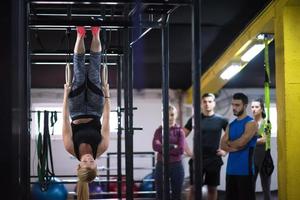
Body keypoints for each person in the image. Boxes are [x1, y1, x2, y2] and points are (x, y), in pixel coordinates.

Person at [62, 26, 111, 200]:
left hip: (75, 111)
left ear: (79, 165)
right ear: (96, 165)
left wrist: (65, 95)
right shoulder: (102, 147)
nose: (89, 159)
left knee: (79, 73)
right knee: (94, 72)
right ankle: (96, 33)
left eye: (85, 162)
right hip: (96, 109)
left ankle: (80, 35)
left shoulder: (70, 147)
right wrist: (107, 95)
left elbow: (64, 122)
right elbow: (106, 121)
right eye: (92, 163)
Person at [183, 93, 228, 200]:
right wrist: (189, 152)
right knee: (194, 189)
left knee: (212, 189)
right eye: (205, 102)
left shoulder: (222, 120)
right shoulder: (194, 119)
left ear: (214, 103)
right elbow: (181, 136)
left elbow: (230, 137)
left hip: (214, 159)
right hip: (197, 159)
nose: (207, 104)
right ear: (201, 104)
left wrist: (225, 151)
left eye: (210, 101)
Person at [220, 92, 258, 200]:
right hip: (231, 171)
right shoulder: (231, 125)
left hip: (245, 171)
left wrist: (230, 143)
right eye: (233, 105)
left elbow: (242, 142)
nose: (234, 108)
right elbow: (222, 145)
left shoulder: (251, 123)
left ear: (245, 106)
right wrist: (237, 145)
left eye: (237, 105)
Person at [152, 104, 185, 200]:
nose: (170, 117)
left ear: (175, 115)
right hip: (161, 165)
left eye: (172, 114)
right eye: (167, 115)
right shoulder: (158, 131)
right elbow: (155, 146)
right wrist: (172, 146)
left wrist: (163, 149)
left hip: (176, 166)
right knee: (160, 194)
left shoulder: (180, 131)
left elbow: (181, 149)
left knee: (176, 194)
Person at [251, 98, 272, 200]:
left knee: (266, 188)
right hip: (251, 158)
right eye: (252, 107)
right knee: (250, 187)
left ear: (262, 109)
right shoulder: (250, 123)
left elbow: (265, 140)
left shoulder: (266, 123)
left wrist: (250, 141)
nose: (254, 109)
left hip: (264, 159)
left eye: (256, 107)